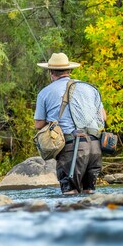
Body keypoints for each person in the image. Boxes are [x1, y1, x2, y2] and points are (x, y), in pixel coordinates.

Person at [34, 53, 106, 195]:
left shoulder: (45, 92)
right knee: (89, 194)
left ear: (50, 72)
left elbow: (38, 124)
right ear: (69, 71)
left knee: (70, 194)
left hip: (71, 148)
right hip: (95, 147)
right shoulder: (90, 88)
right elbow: (103, 117)